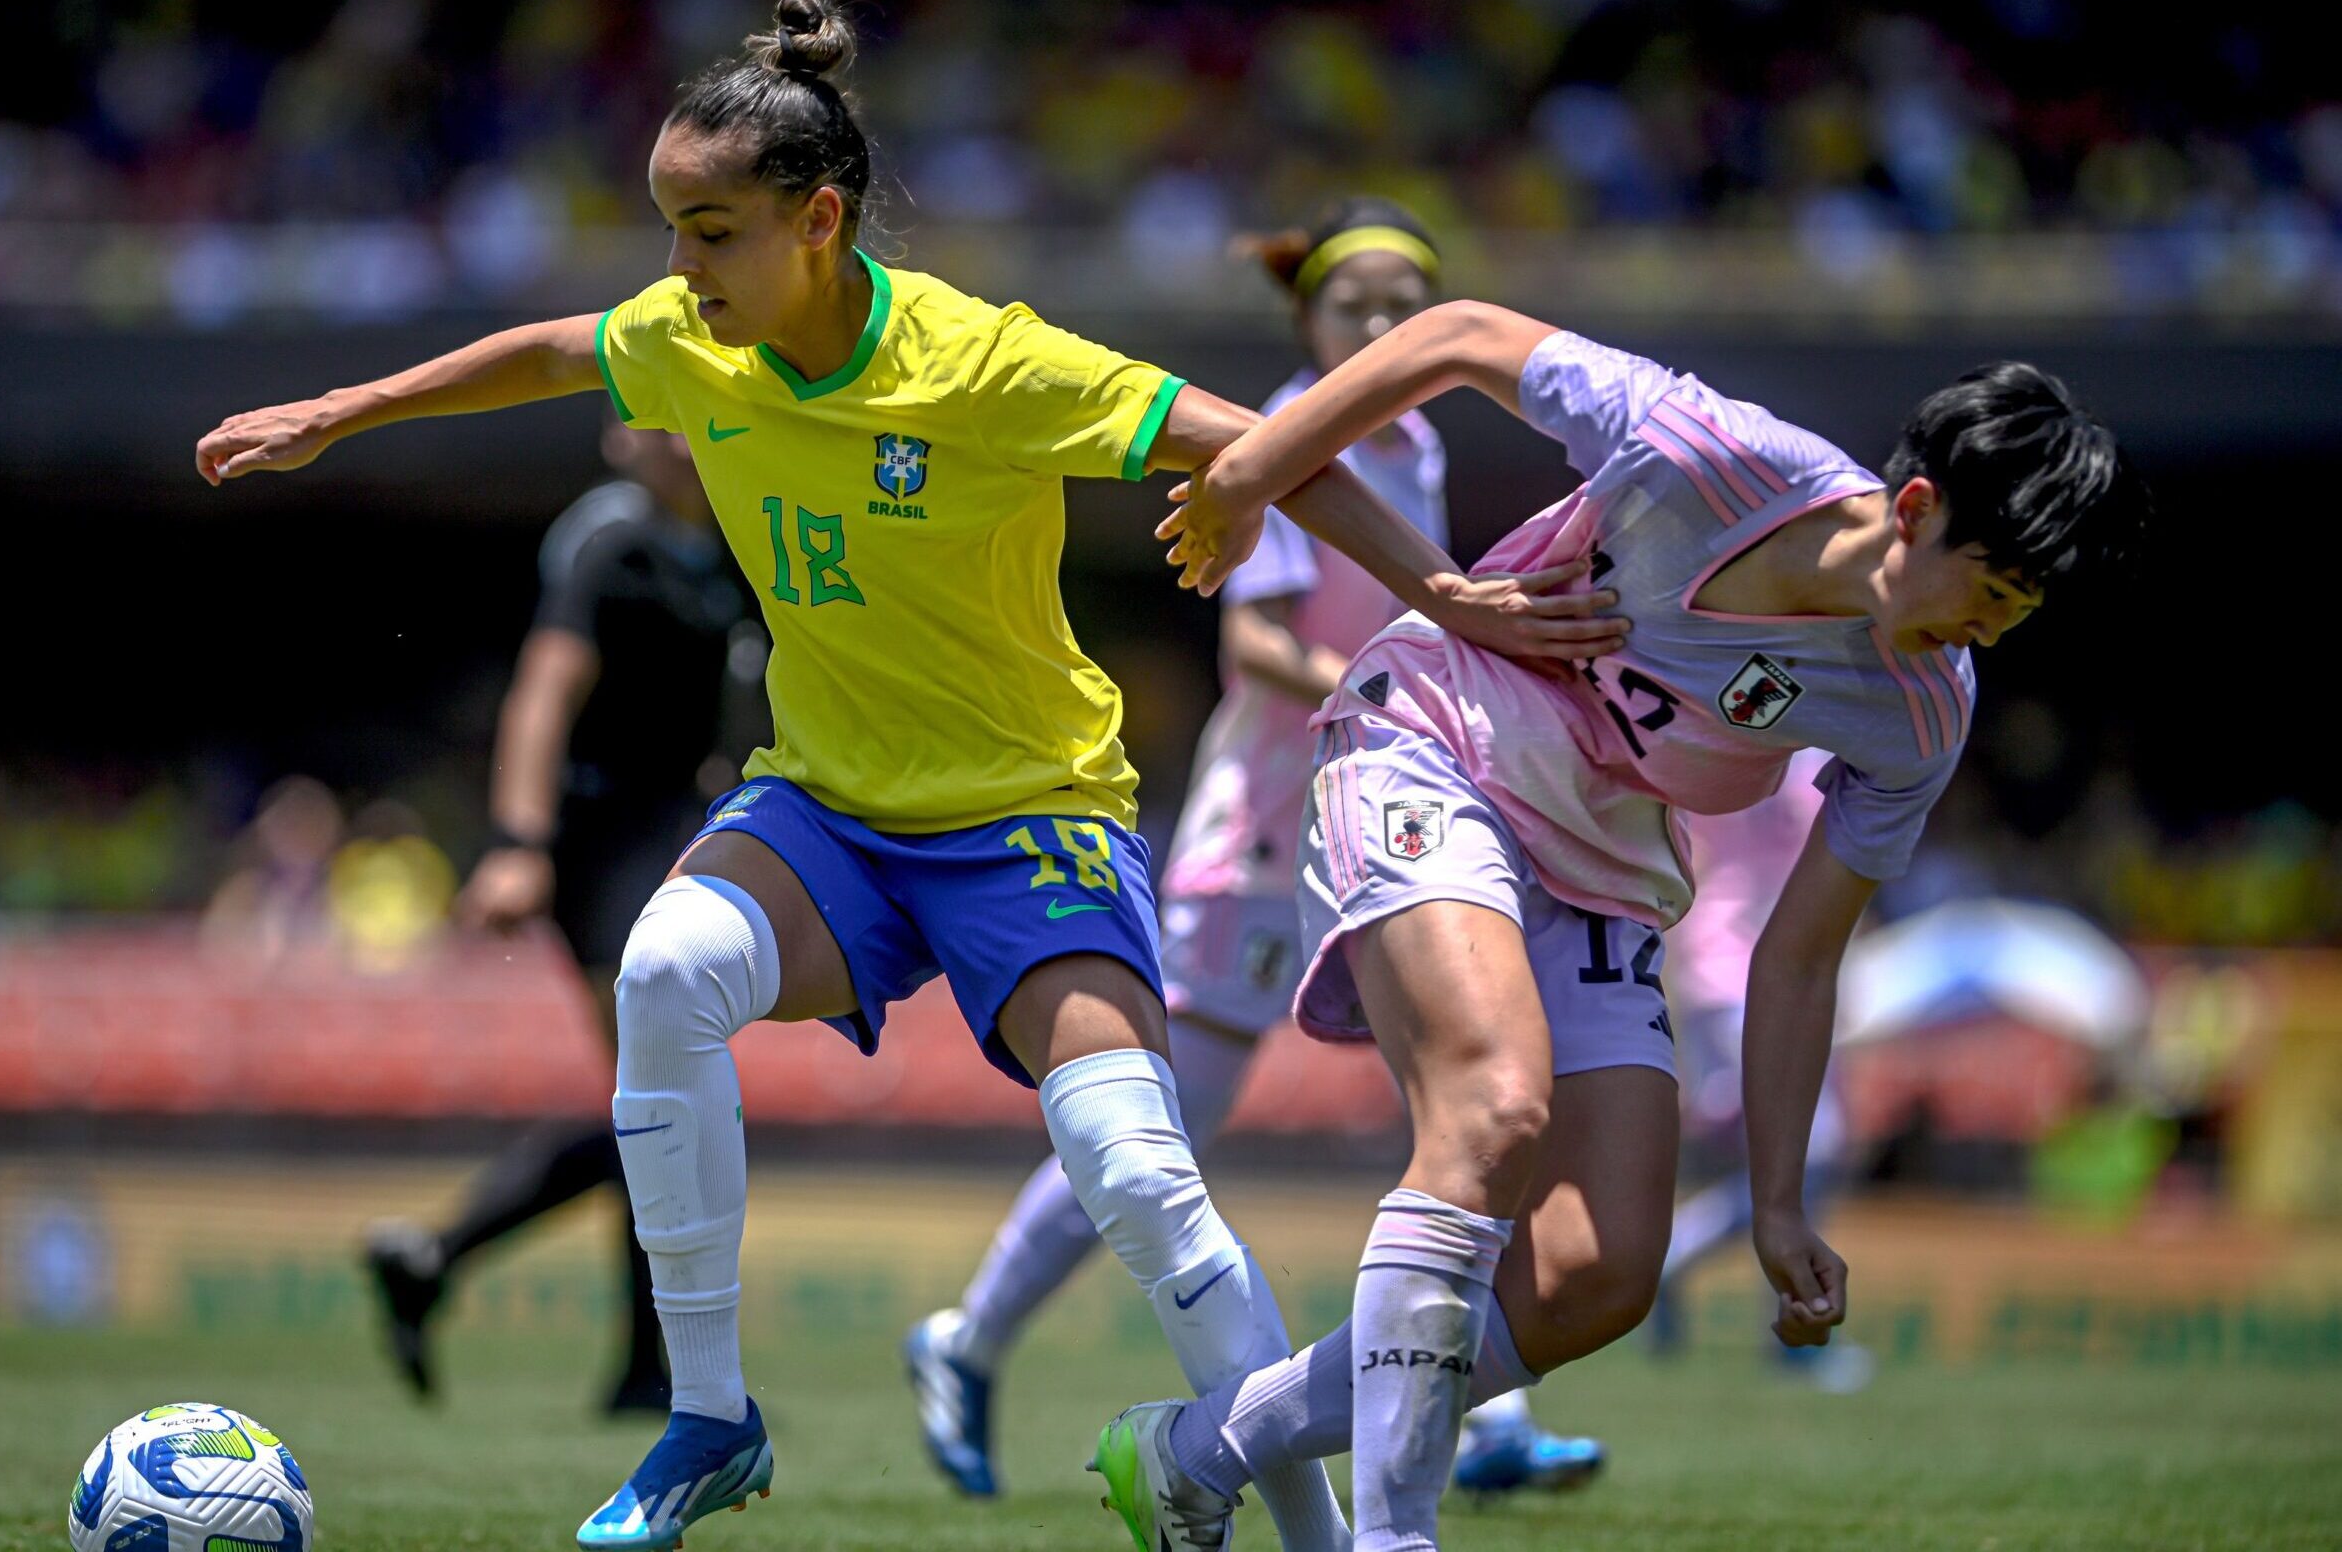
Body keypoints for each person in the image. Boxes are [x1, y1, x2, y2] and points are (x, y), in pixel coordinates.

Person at [191, 0, 1619, 1552]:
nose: (679, 270)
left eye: (711, 230)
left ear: (817, 221)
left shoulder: (985, 365)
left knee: (1138, 1177)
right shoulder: (691, 342)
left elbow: (1259, 442)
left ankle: (1320, 1540)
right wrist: (350, 408)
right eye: (670, 226)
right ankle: (710, 1420)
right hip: (832, 811)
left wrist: (1447, 593)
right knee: (665, 971)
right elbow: (551, 351)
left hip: (1029, 821)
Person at [1099, 299, 2143, 1552]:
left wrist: (1775, 1204)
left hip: (1601, 856)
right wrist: (1252, 476)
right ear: (1913, 508)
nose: (1985, 631)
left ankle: (1192, 1449)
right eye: (1991, 590)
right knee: (1491, 1111)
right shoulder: (1709, 450)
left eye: (2019, 614)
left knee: (1602, 1270)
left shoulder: (1919, 711)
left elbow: (1802, 956)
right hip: (1438, 737)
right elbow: (1461, 334)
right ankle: (1390, 1539)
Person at [904, 198, 1600, 1502]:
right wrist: (1396, 686)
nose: (1384, 327)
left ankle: (1485, 1411)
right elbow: (1258, 648)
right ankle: (967, 1337)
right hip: (1268, 838)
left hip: (1377, 819)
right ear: (1307, 319)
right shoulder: (1289, 437)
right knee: (1165, 1139)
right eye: (1359, 307)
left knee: (1472, 1100)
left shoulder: (1418, 444)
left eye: (1408, 307)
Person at [362, 421, 762, 1416]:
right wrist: (515, 841)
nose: (638, 430)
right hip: (601, 840)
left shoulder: (731, 547)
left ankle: (449, 1265)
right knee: (662, 1095)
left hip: (677, 833)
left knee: (659, 1101)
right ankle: (622, 1360)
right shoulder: (607, 541)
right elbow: (542, 695)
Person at [1641, 751, 1873, 1392]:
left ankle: (1782, 1317)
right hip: (1735, 972)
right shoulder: (1735, 730)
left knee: (1800, 1153)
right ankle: (1788, 1320)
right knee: (1812, 1146)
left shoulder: (1820, 742)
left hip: (1780, 971)